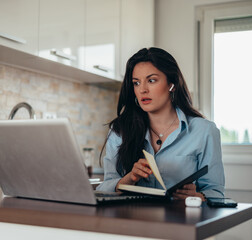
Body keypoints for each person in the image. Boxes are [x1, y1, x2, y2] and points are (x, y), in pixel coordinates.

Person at [96, 47, 225, 200]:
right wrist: (129, 179)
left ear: (172, 84)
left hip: (182, 221)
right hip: (131, 221)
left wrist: (198, 196)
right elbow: (104, 187)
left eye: (151, 80)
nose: (142, 89)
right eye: (136, 83)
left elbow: (216, 193)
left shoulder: (204, 131)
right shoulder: (119, 130)